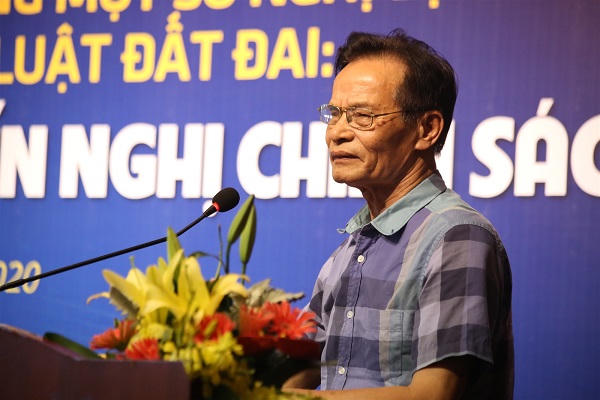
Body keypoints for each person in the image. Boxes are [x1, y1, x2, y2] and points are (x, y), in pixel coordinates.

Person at [284, 30, 513, 400]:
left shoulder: (457, 236)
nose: (336, 133)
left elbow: (434, 394)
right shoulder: (350, 249)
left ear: (427, 129)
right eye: (334, 114)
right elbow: (299, 368)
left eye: (362, 116)